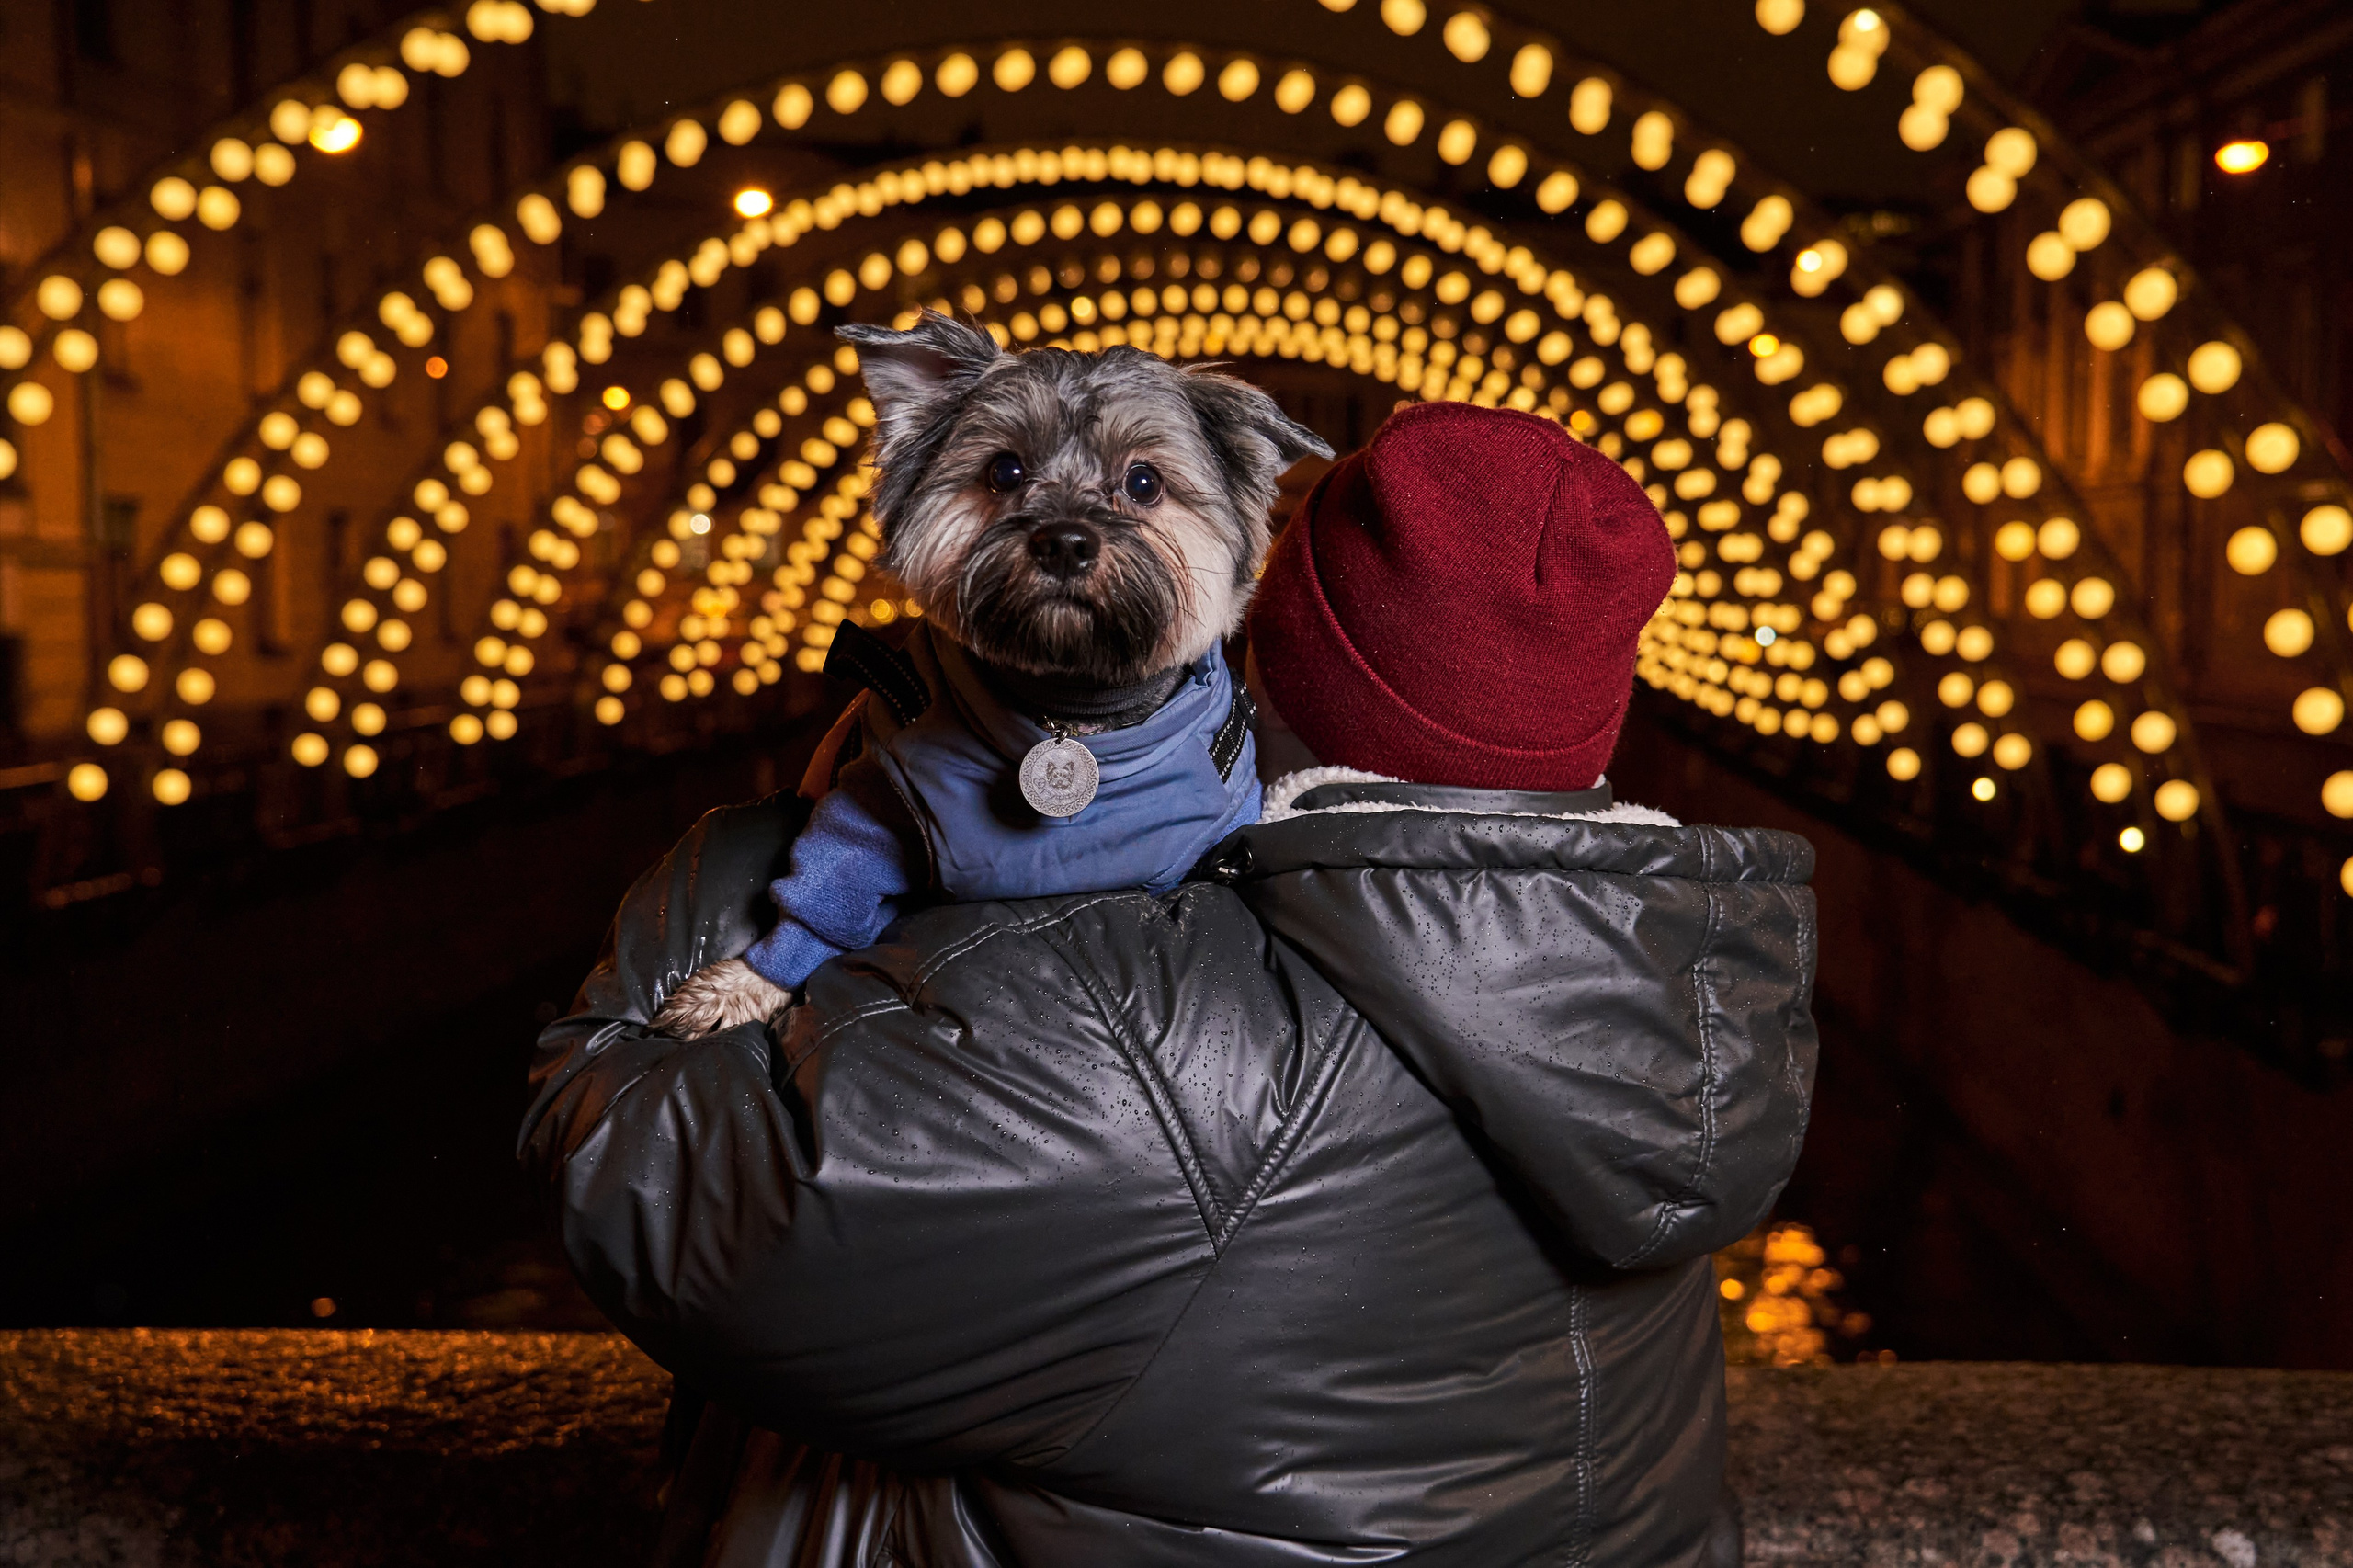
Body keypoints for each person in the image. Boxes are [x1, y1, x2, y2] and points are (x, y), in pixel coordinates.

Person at [521, 400, 1819, 1566]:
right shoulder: (1676, 995)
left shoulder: (1148, 1031)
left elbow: (631, 1161)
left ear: (1275, 651)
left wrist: (831, 815)